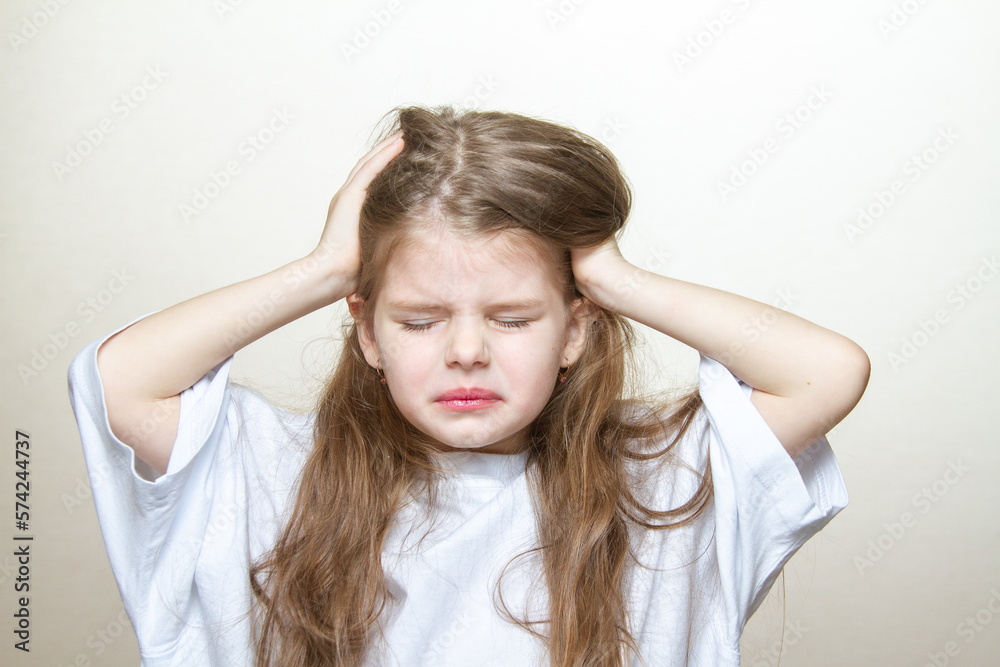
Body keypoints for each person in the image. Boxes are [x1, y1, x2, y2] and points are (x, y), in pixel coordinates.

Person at [67, 105, 870, 667]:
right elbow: (120, 384)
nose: (465, 351)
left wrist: (613, 277)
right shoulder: (272, 472)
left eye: (514, 319)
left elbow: (825, 373)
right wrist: (323, 269)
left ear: (577, 329)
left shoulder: (660, 482)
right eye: (418, 321)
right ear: (368, 331)